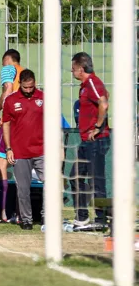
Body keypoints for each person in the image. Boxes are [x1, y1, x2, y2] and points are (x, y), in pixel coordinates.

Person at [69, 52, 110, 227]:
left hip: (96, 140)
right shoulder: (85, 86)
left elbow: (104, 103)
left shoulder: (92, 82)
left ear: (80, 68)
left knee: (96, 181)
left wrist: (98, 126)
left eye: (73, 69)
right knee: (74, 176)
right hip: (86, 141)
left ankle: (101, 219)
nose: (72, 72)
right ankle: (82, 216)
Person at [2, 69, 44, 230]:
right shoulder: (11, 100)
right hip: (20, 151)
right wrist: (8, 148)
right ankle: (26, 220)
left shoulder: (43, 97)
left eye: (31, 87)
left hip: (42, 150)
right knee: (23, 189)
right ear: (20, 84)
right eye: (25, 87)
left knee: (51, 184)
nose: (28, 90)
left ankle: (47, 217)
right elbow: (5, 123)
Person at [0, 49, 24, 222]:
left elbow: (7, 90)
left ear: (8, 60)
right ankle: (20, 214)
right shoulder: (24, 74)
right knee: (22, 169)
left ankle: (3, 212)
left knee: (0, 164)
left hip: (10, 123)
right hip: (23, 125)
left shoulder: (9, 69)